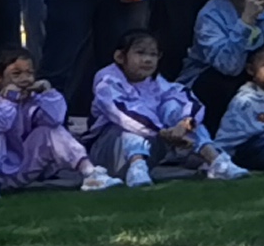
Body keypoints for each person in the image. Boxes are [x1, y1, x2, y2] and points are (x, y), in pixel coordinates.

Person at [0, 44, 109, 194]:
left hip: (24, 168)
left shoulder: (32, 97)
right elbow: (1, 123)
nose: (25, 79)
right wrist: (10, 100)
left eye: (29, 73)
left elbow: (55, 119)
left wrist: (48, 93)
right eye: (16, 74)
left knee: (51, 130)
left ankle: (90, 172)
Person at [90, 28, 212, 183]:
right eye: (140, 53)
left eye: (153, 54)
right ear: (120, 57)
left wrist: (184, 124)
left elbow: (185, 98)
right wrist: (161, 132)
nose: (147, 59)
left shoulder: (156, 81)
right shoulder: (106, 80)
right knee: (127, 129)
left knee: (178, 111)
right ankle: (137, 169)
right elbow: (125, 115)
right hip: (109, 150)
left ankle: (216, 161)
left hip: (152, 143)